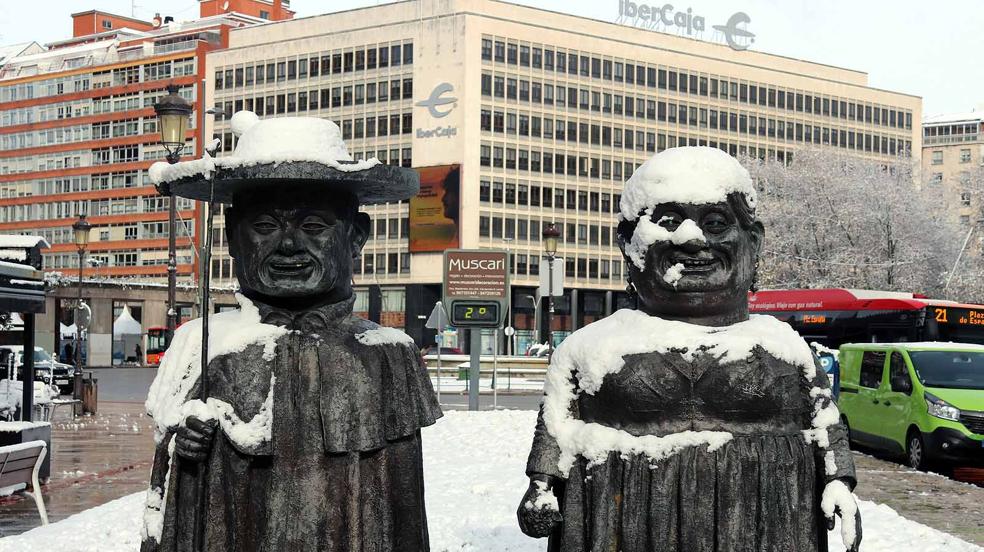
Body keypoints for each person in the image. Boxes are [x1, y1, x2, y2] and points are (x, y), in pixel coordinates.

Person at [517, 147, 861, 552]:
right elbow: (556, 423)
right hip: (626, 523)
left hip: (764, 524)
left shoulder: (785, 349)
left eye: (715, 223)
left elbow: (825, 421)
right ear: (629, 244)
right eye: (668, 222)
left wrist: (839, 480)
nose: (692, 238)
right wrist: (541, 485)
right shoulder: (590, 349)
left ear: (753, 241)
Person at [141, 113, 442, 551]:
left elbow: (406, 509)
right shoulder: (201, 344)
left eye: (314, 227)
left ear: (356, 236)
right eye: (264, 227)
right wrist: (182, 445)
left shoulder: (388, 354)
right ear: (231, 237)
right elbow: (162, 498)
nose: (287, 245)